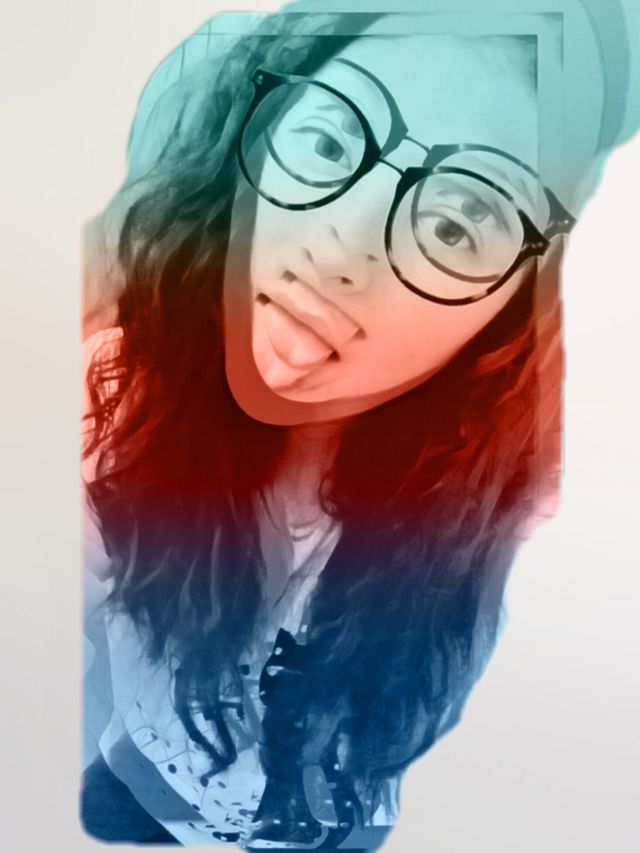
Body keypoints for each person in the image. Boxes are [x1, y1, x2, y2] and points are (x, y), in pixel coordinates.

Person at [81, 1, 638, 849]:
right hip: (132, 804)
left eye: (456, 222)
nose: (339, 249)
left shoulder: (534, 533)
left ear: (511, 311)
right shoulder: (112, 398)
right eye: (331, 144)